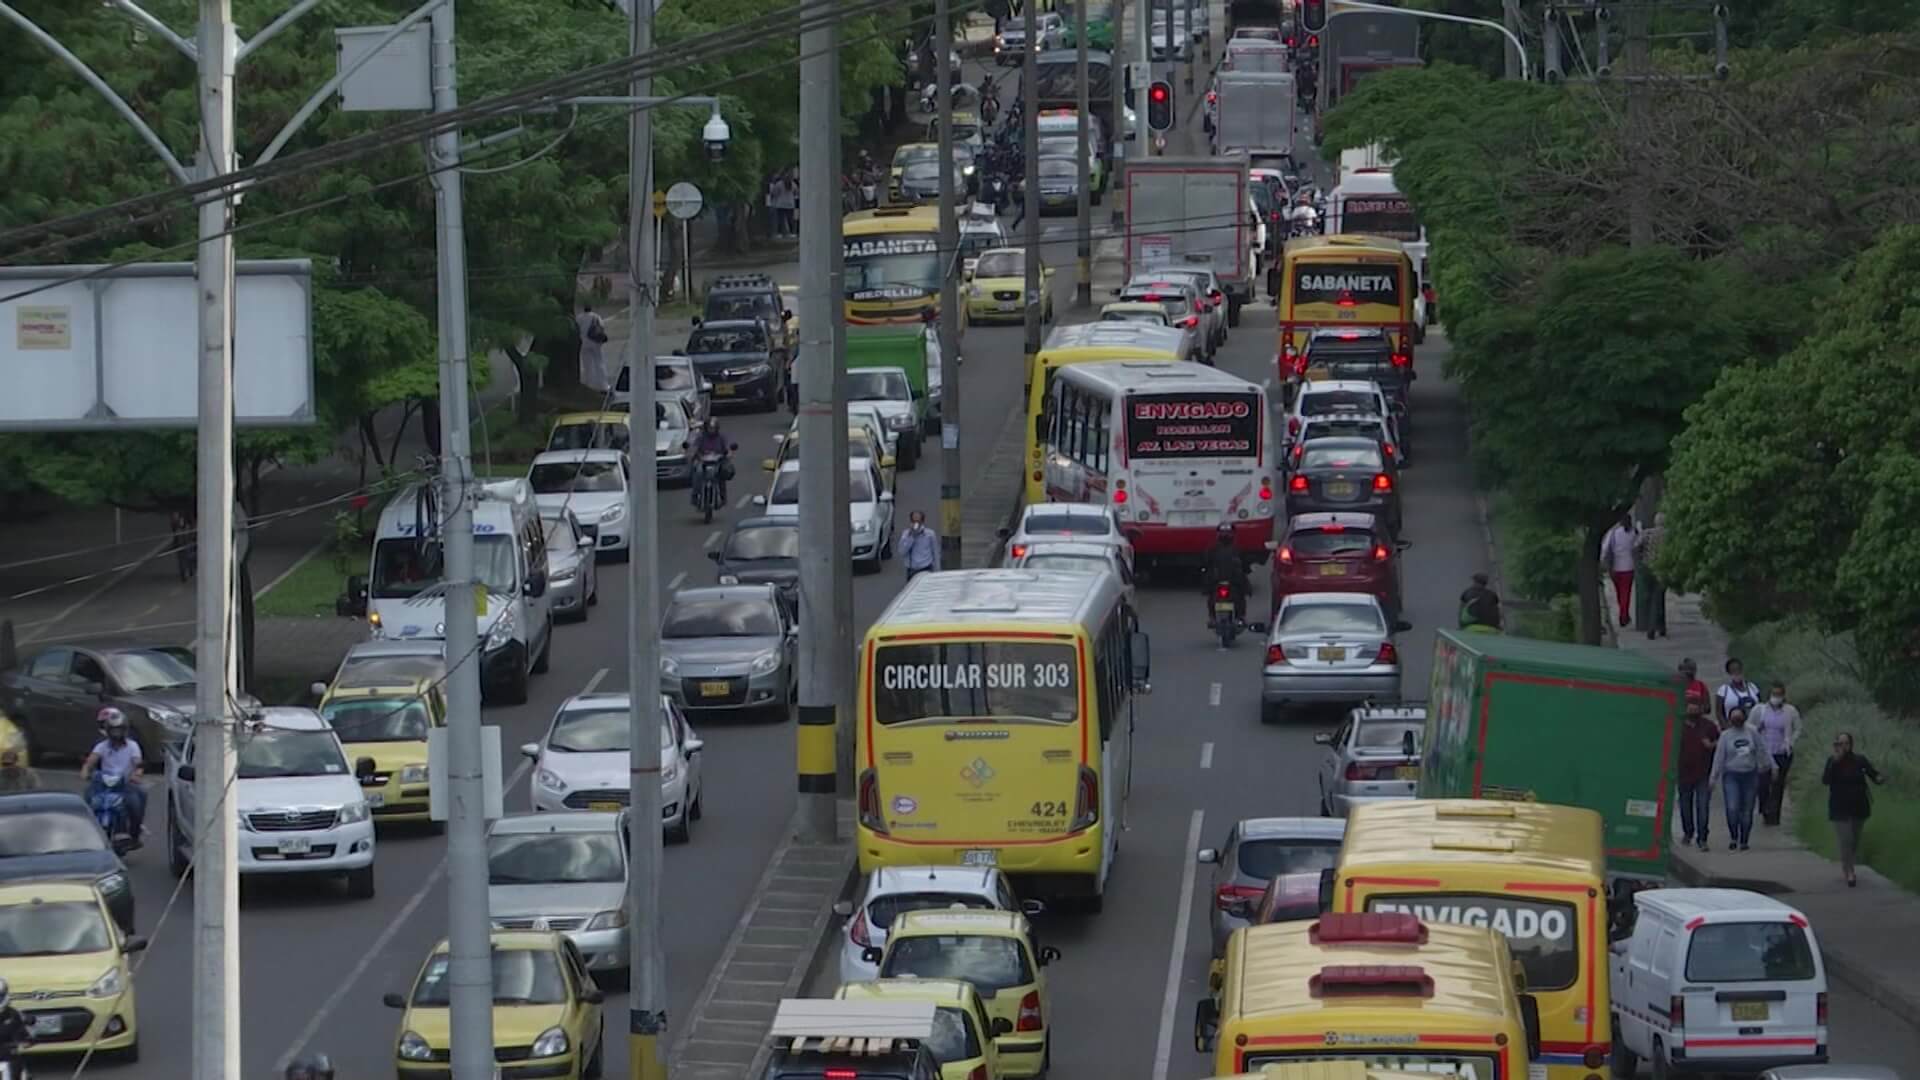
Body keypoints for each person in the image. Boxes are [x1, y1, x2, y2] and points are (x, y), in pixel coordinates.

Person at [1822, 732, 1884, 887]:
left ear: (1851, 745)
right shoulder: (1832, 761)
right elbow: (1826, 780)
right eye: (1840, 743)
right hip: (1839, 807)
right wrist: (1835, 762)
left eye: (1846, 743)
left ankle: (1849, 863)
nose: (1843, 747)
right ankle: (1849, 871)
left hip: (1858, 805)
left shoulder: (1859, 760)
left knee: (1854, 840)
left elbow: (1873, 774)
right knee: (1846, 840)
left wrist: (1880, 778)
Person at [1708, 706, 1773, 851]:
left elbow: (1762, 749)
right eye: (1733, 717)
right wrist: (1713, 777)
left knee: (1747, 810)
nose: (1736, 719)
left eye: (1739, 716)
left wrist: (1769, 766)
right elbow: (1719, 758)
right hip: (1731, 775)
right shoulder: (1725, 736)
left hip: (1750, 774)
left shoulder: (1752, 732)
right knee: (1732, 808)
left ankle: (1744, 840)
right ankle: (1733, 837)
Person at [82, 708, 146, 844]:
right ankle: (88, 831)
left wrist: (136, 774)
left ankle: (134, 834)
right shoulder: (102, 746)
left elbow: (138, 763)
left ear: (125, 730)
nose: (116, 733)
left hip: (126, 784)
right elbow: (91, 761)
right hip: (104, 784)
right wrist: (86, 770)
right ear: (108, 730)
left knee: (136, 802)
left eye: (119, 730)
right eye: (113, 730)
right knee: (87, 798)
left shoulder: (132, 746)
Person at [1751, 681, 1803, 827]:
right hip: (1765, 752)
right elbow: (1750, 727)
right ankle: (1765, 808)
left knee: (1778, 784)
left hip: (1781, 752)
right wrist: (1758, 729)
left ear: (1783, 695)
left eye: (1779, 694)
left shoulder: (1790, 711)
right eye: (1774, 694)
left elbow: (1798, 728)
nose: (1776, 697)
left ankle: (1774, 815)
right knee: (1763, 783)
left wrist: (1790, 742)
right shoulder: (1760, 710)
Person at [1676, 691, 1718, 850]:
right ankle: (1688, 833)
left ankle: (1702, 838)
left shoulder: (1709, 726)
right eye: (1690, 707)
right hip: (1684, 773)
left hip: (1703, 773)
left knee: (1703, 806)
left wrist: (1711, 745)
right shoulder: (1678, 726)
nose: (1693, 710)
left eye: (1696, 707)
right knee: (1685, 806)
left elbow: (1720, 744)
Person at [1598, 510, 1638, 629]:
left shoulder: (1613, 533)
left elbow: (1605, 549)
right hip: (1629, 567)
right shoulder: (1633, 533)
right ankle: (1623, 616)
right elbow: (1637, 545)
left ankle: (1623, 613)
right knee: (1626, 593)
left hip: (1615, 568)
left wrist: (1602, 562)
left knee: (1619, 593)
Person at [1202, 525, 1249, 624]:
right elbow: (1206, 563)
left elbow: (1244, 564)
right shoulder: (1213, 549)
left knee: (1241, 593)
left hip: (1234, 582)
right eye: (1223, 533)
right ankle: (1213, 617)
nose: (1225, 535)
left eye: (1227, 533)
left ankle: (1239, 617)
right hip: (1217, 581)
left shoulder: (1237, 549)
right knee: (1211, 593)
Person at [1634, 511, 1669, 638]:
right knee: (1659, 598)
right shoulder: (1669, 535)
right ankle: (1657, 627)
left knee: (1650, 598)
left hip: (1647, 569)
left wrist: (1642, 559)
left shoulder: (1647, 533)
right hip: (1662, 569)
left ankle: (1655, 627)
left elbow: (1636, 546)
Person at [1716, 657, 1761, 728]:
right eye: (1733, 670)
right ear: (1728, 673)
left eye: (1738, 669)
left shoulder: (1753, 687)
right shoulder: (1723, 690)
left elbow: (1760, 707)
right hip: (1733, 729)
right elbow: (1719, 713)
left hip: (1753, 729)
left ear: (1742, 670)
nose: (1736, 672)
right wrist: (1726, 728)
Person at [575, 304, 610, 393]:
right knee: (599, 362)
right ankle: (603, 384)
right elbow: (602, 327)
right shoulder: (596, 316)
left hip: (584, 343)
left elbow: (576, 329)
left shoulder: (579, 318)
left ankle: (589, 383)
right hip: (595, 342)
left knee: (587, 364)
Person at [898, 511, 941, 580]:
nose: (916, 524)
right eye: (913, 521)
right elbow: (902, 551)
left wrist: (937, 570)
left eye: (918, 522)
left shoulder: (930, 534)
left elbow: (935, 552)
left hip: (926, 568)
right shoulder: (906, 534)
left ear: (922, 522)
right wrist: (911, 537)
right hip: (912, 569)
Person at [0, 979, 30, 1062]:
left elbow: (25, 1032)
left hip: (9, 1056)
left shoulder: (14, 1013)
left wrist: (27, 1040)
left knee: (21, 1072)